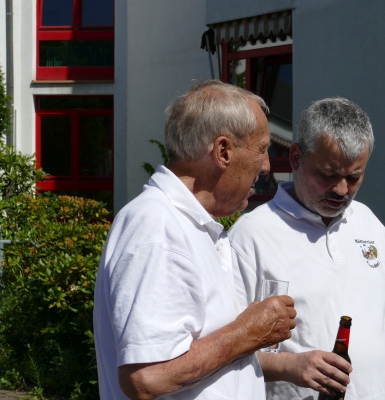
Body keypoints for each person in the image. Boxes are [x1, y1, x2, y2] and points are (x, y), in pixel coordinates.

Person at [93, 80, 297, 400]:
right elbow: (146, 377)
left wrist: (287, 362)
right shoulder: (158, 226)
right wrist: (250, 332)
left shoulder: (188, 224)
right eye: (261, 149)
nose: (267, 165)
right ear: (223, 151)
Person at [229, 97, 385, 399]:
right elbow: (227, 348)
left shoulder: (370, 224)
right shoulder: (250, 236)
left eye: (354, 176)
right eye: (328, 174)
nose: (341, 189)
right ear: (296, 158)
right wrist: (290, 365)